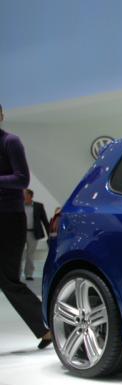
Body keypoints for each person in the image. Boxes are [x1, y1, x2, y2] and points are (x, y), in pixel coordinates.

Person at [0, 103, 52, 349]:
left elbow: (22, 179)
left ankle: (47, 327)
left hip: (9, 218)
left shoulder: (10, 142)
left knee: (9, 279)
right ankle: (46, 327)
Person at [22, 188, 49, 280]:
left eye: (25, 194)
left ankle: (28, 274)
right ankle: (16, 275)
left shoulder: (38, 206)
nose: (23, 196)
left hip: (33, 233)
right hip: (21, 232)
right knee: (19, 254)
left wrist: (49, 234)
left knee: (30, 254)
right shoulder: (19, 205)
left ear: (30, 196)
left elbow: (44, 220)